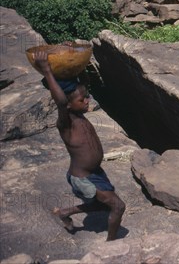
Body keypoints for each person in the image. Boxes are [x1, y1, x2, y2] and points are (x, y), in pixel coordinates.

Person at [33, 49, 125, 241]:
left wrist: (73, 57)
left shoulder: (80, 114)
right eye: (82, 99)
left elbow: (84, 83)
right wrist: (47, 71)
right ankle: (111, 244)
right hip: (83, 178)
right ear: (68, 104)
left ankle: (64, 213)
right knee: (118, 206)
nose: (87, 100)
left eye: (87, 96)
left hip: (95, 173)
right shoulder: (66, 124)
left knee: (102, 205)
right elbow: (59, 101)